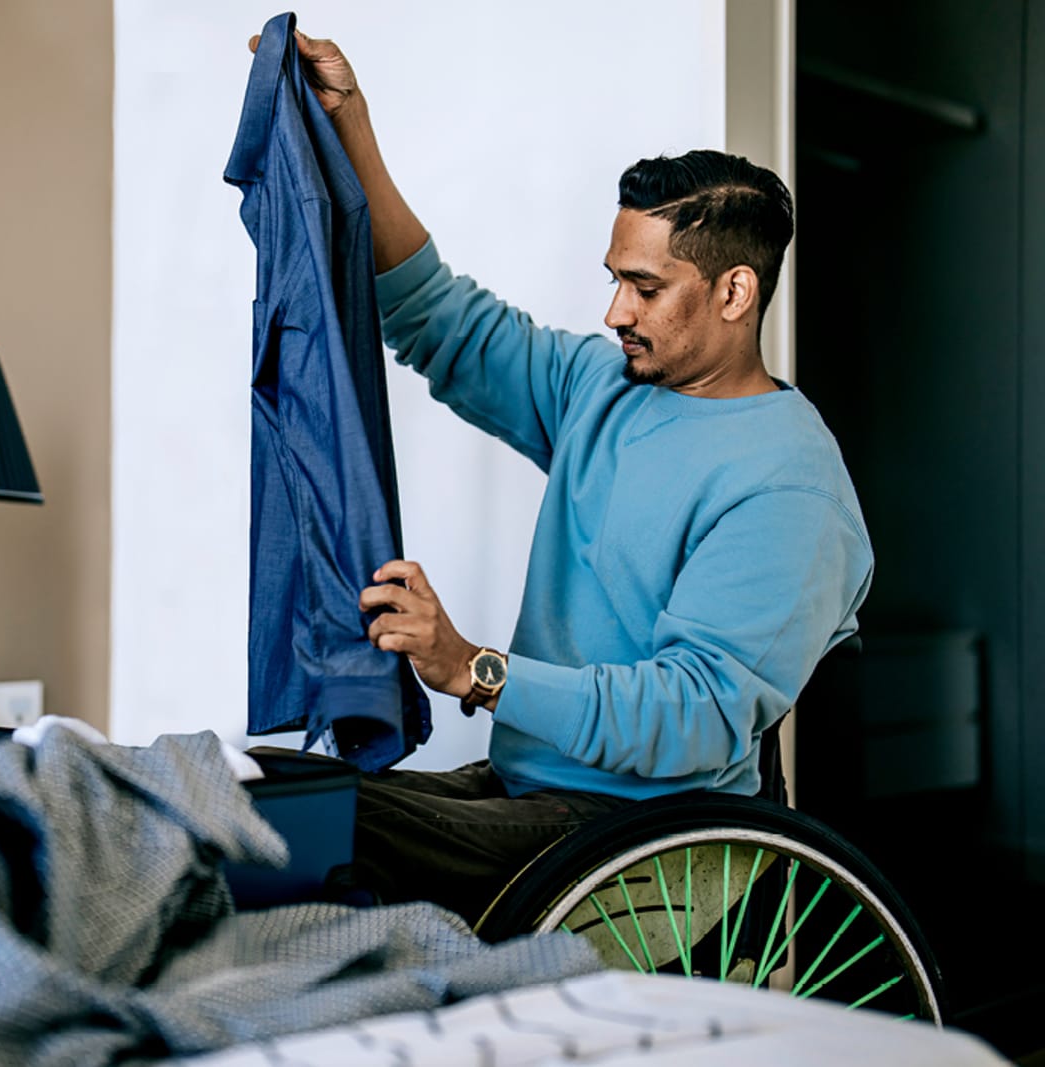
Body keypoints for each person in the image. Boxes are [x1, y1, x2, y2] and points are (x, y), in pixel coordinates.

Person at [246, 28, 873, 925]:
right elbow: (436, 317)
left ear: (735, 293)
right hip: (528, 788)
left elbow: (692, 712)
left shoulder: (790, 486)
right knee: (278, 792)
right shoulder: (602, 384)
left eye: (645, 288)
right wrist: (352, 128)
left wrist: (472, 668)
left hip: (645, 828)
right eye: (615, 279)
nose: (615, 310)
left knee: (297, 833)